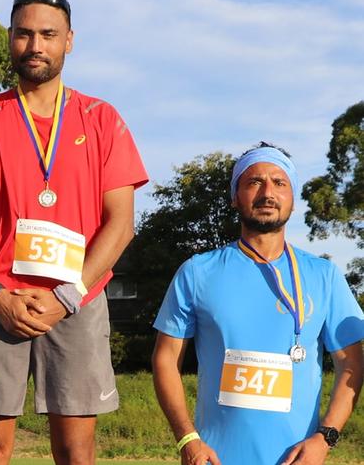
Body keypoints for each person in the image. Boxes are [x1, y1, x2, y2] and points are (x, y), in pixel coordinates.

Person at [0, 0, 149, 465]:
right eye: (25, 33)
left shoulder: (101, 117)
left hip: (78, 302)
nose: (36, 45)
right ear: (10, 38)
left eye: (48, 34)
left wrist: (67, 296)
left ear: (69, 41)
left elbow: (121, 224)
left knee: (76, 450)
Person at [152, 142, 364, 465]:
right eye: (254, 182)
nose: (268, 192)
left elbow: (352, 362)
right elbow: (166, 359)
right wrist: (187, 439)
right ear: (235, 196)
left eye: (280, 183)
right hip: (215, 459)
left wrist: (325, 438)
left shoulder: (325, 276)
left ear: (292, 199)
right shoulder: (197, 273)